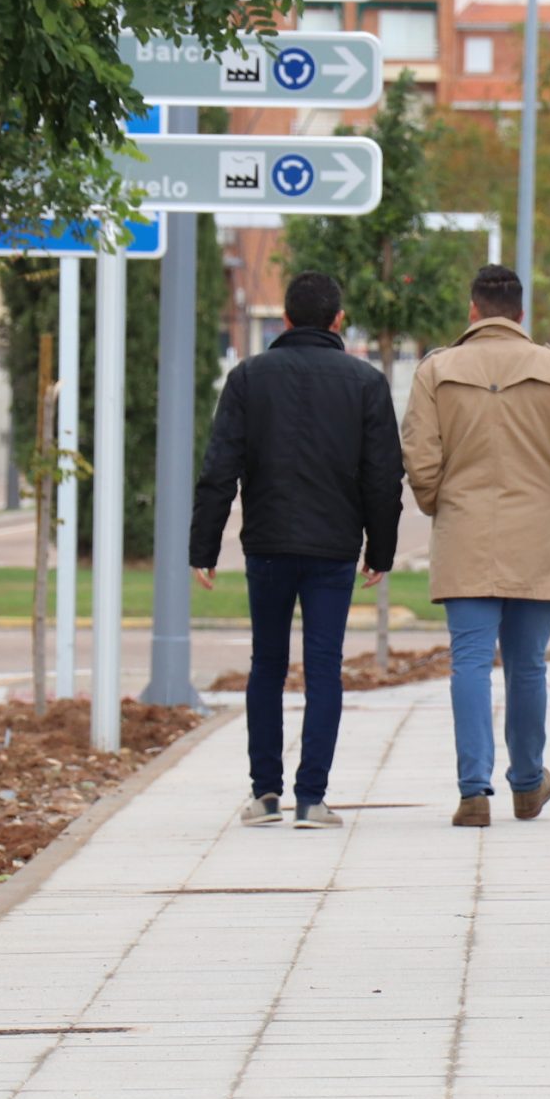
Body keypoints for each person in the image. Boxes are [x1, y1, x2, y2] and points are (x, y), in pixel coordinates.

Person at [191, 271, 402, 830]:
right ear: (338, 320)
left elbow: (219, 469)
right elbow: (384, 476)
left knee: (266, 664)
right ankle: (311, 798)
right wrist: (380, 549)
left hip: (267, 543)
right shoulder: (366, 383)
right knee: (324, 667)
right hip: (334, 547)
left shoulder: (247, 378)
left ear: (284, 319)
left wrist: (204, 546)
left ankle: (265, 794)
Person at [403, 264, 550, 827]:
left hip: (464, 530)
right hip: (538, 532)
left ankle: (473, 791)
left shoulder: (435, 371)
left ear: (473, 310)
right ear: (520, 313)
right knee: (527, 665)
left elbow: (419, 456)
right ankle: (527, 783)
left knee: (468, 661)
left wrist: (439, 502)